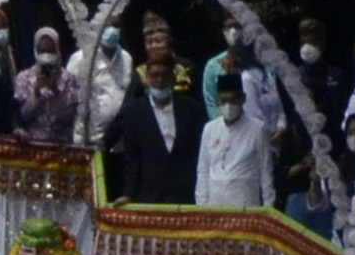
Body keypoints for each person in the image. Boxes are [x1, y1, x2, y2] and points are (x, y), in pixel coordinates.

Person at [103, 27, 196, 203]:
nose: (160, 81)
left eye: (164, 76)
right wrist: (129, 193)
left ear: (173, 77)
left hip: (186, 196)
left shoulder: (191, 110)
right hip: (150, 196)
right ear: (147, 79)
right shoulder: (134, 113)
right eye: (154, 76)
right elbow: (132, 158)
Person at [198, 65, 275, 209]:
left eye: (233, 100)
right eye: (224, 100)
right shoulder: (210, 129)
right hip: (215, 205)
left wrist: (268, 207)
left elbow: (266, 172)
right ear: (217, 100)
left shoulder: (257, 128)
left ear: (243, 98)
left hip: (245, 203)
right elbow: (203, 170)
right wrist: (201, 206)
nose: (228, 105)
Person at [13, 18, 78, 141]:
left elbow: (68, 117)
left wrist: (55, 91)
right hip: (34, 146)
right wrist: (36, 92)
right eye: (42, 51)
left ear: (57, 51)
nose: (46, 55)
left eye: (50, 51)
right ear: (36, 51)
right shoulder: (24, 78)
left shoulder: (68, 78)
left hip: (62, 148)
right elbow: (24, 116)